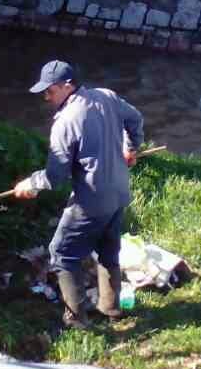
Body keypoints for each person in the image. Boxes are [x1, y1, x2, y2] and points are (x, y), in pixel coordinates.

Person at [14, 60, 145, 329]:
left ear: (67, 86)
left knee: (61, 253)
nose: (46, 97)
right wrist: (131, 148)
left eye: (50, 91)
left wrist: (31, 184)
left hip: (93, 200)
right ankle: (111, 307)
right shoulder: (106, 96)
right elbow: (135, 118)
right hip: (120, 191)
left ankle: (76, 321)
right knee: (108, 248)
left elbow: (56, 175)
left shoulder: (65, 122)